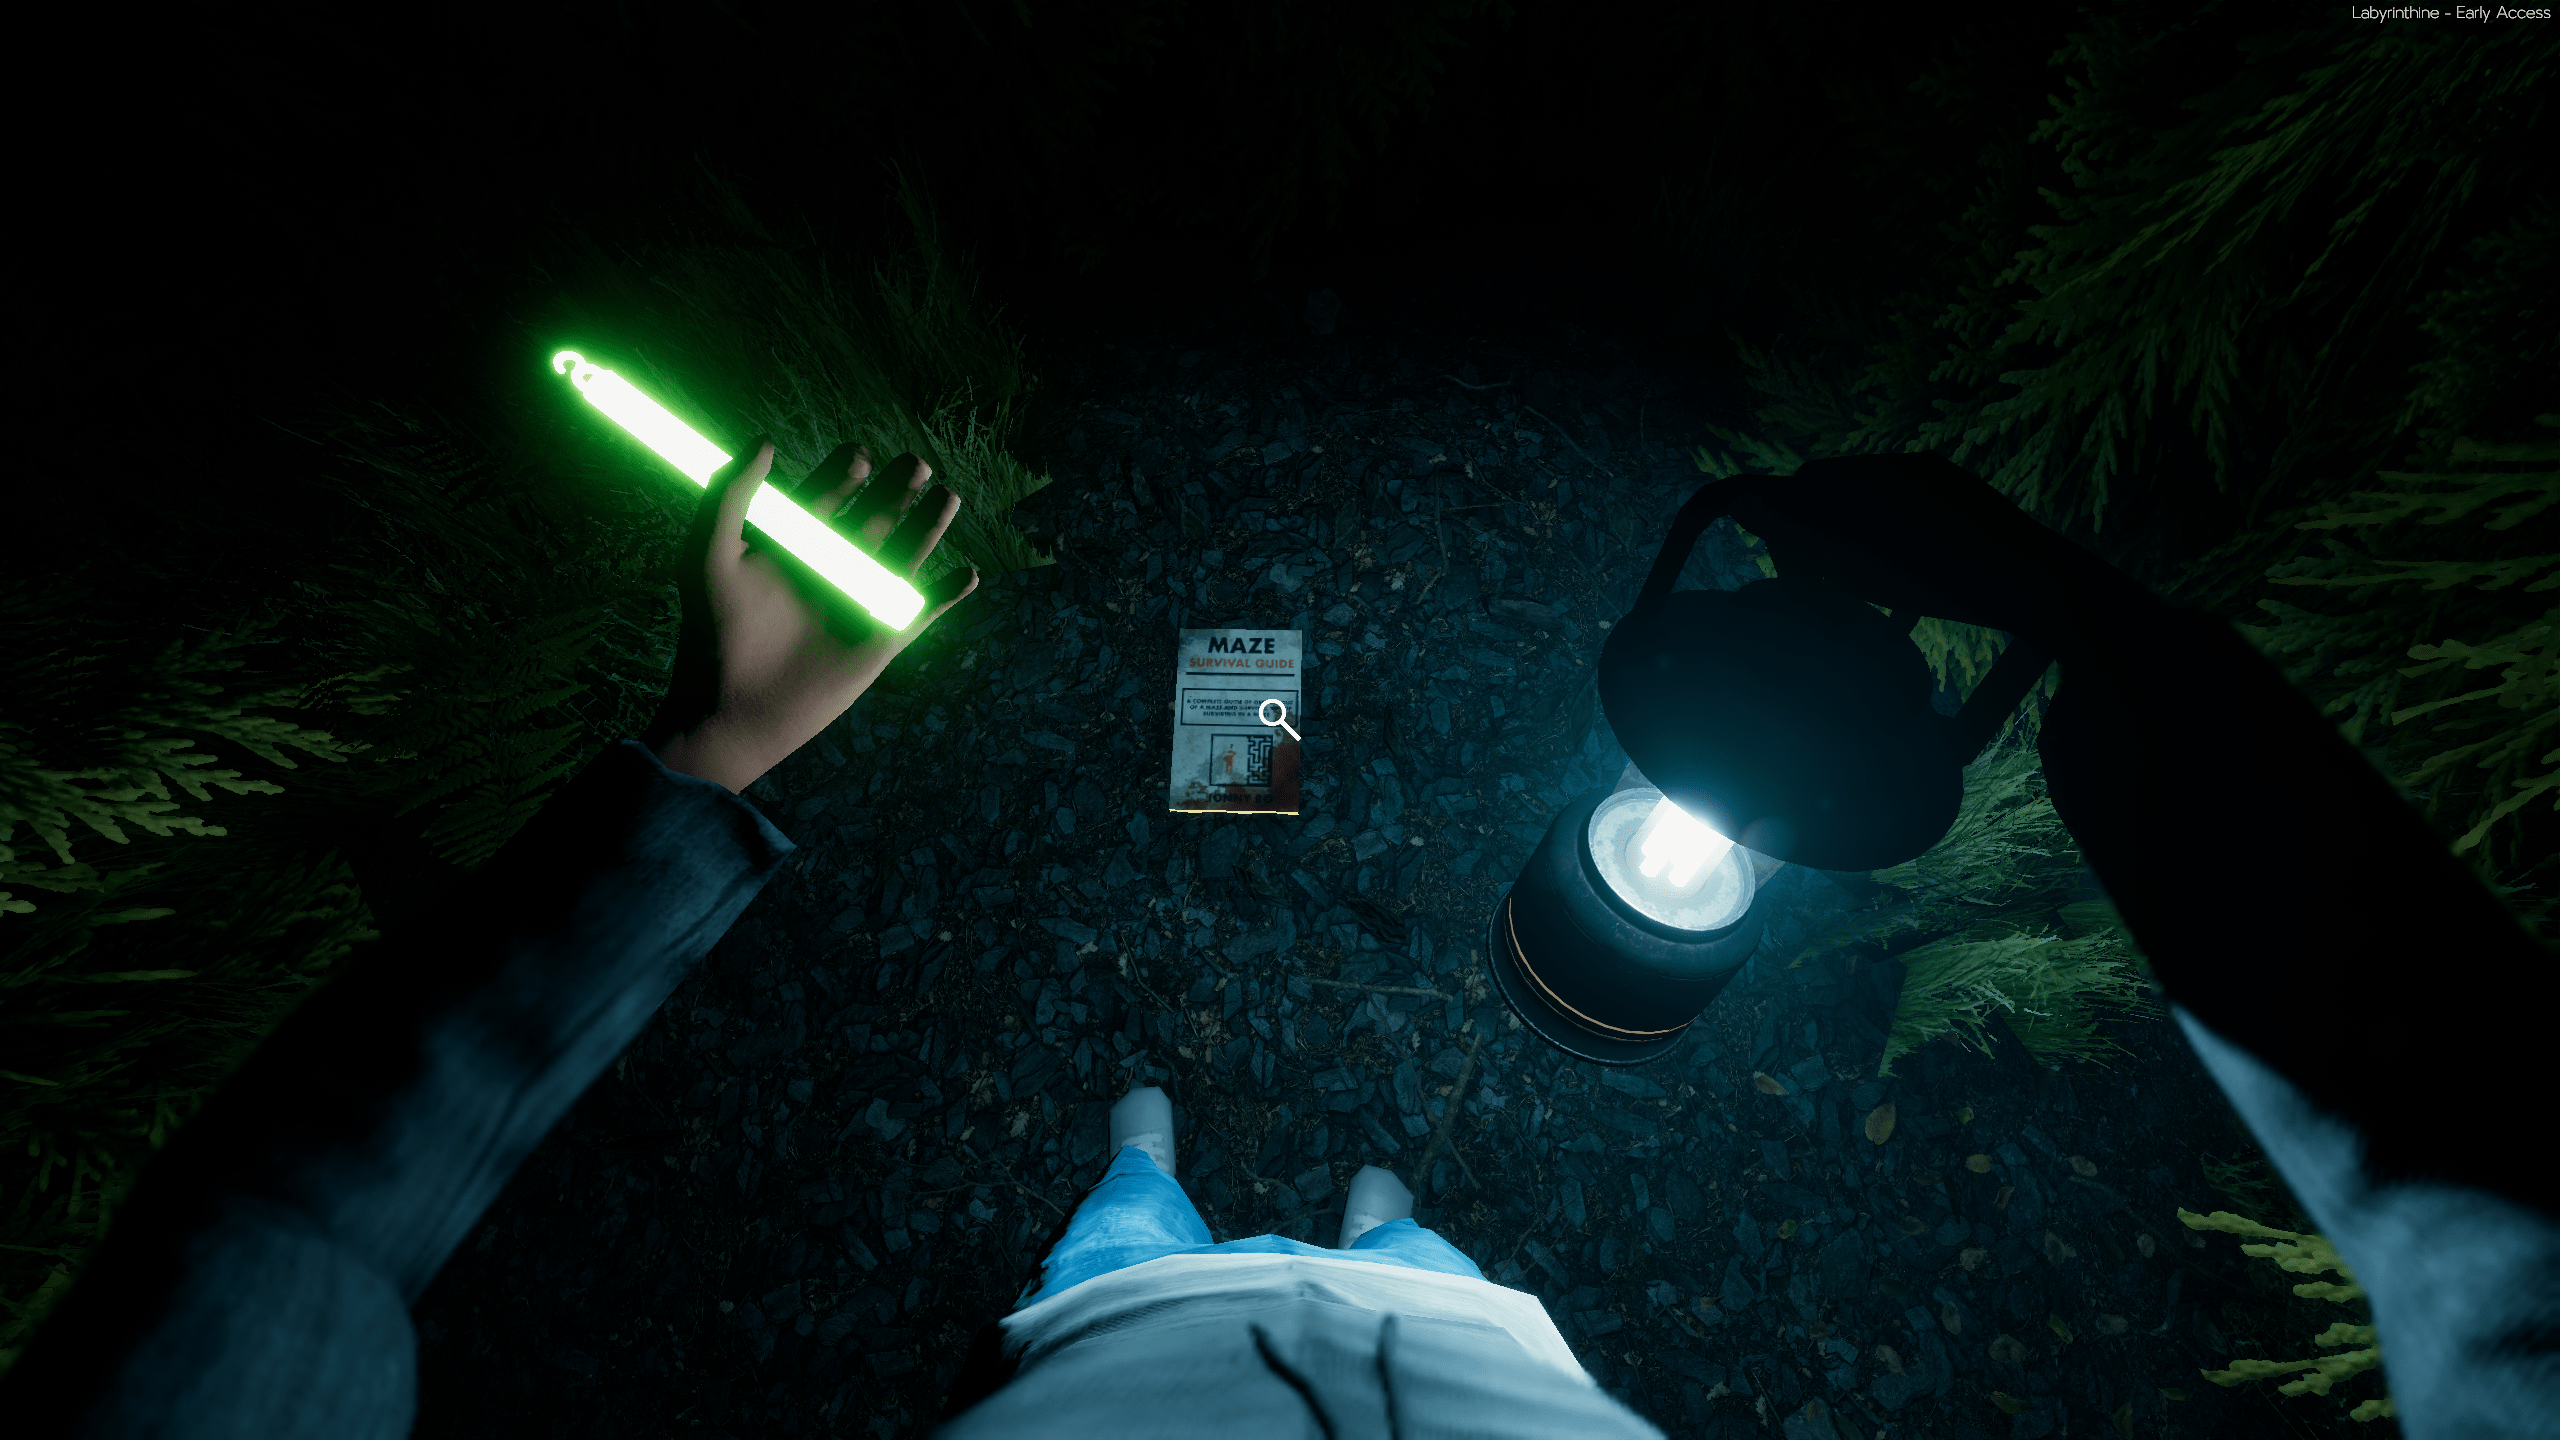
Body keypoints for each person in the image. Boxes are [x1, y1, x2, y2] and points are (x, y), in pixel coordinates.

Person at [10, 439, 2550, 1439]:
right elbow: (2514, 1250)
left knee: (1125, 1239)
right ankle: (1368, 1222)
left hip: (1116, 1363)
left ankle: (1145, 1183)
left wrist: (697, 764)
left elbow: (269, 1276)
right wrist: (2123, 678)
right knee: (1429, 1263)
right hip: (1494, 1377)